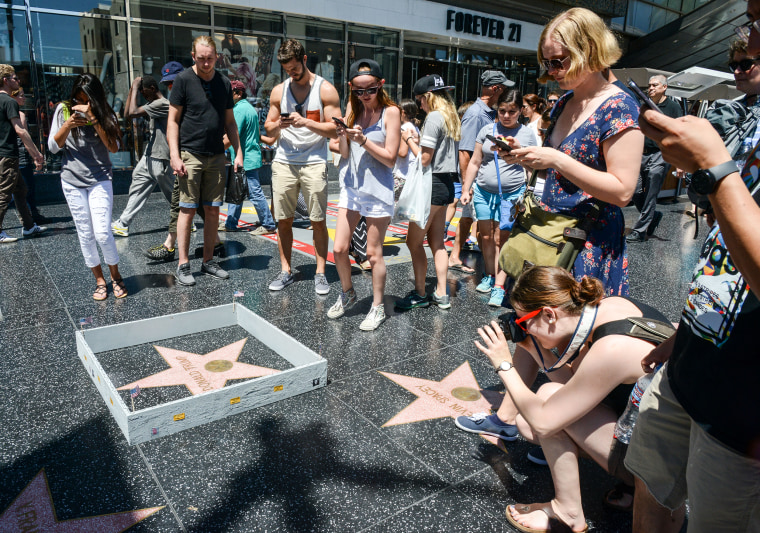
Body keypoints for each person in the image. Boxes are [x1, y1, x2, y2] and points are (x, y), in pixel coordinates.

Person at [624, 3, 760, 530]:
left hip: (744, 409)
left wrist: (713, 171)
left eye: (756, 19)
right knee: (652, 494)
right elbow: (724, 257)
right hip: (693, 363)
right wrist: (685, 336)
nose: (745, 40)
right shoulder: (753, 115)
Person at [469, 266, 671, 533]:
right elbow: (576, 382)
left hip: (663, 468)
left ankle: (568, 513)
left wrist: (504, 365)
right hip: (655, 435)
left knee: (542, 408)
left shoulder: (612, 348)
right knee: (533, 415)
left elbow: (543, 423)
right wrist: (536, 349)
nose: (523, 329)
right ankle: (632, 487)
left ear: (549, 314)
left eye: (523, 321)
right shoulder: (609, 307)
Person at [499, 7, 643, 296]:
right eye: (546, 63)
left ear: (588, 50)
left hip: (586, 244)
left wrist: (555, 159)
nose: (551, 72)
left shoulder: (619, 106)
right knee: (532, 334)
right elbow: (559, 172)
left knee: (574, 335)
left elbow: (623, 191)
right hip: (546, 234)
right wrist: (528, 157)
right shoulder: (566, 100)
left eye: (558, 62)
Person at [264, 39, 341, 295]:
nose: (291, 73)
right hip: (284, 161)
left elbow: (335, 129)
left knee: (317, 220)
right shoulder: (279, 91)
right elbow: (269, 127)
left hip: (314, 161)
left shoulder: (325, 89)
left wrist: (306, 123)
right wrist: (279, 126)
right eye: (287, 70)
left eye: (295, 68)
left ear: (304, 60)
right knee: (283, 220)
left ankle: (320, 273)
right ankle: (286, 270)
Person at [329, 59, 400, 330]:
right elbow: (345, 153)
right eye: (357, 91)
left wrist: (364, 140)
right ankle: (347, 294)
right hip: (351, 186)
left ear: (380, 85)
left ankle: (377, 306)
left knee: (373, 253)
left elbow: (391, 158)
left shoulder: (390, 112)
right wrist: (344, 136)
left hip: (377, 188)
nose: (363, 96)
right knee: (339, 249)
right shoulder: (352, 109)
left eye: (368, 90)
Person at [168, 36, 244, 287]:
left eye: (210, 58)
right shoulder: (183, 80)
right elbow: (173, 121)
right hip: (190, 154)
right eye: (201, 58)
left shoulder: (223, 82)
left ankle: (208, 261)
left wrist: (238, 152)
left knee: (213, 210)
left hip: (216, 155)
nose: (206, 63)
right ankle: (183, 264)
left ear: (216, 56)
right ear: (193, 56)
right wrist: (175, 155)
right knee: (187, 210)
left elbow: (230, 123)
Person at [48, 74, 126, 299]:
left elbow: (113, 148)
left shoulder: (105, 112)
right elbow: (53, 147)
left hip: (100, 179)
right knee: (85, 233)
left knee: (102, 233)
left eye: (87, 99)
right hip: (72, 181)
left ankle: (116, 276)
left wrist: (94, 118)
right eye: (78, 99)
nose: (81, 104)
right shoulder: (63, 110)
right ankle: (99, 280)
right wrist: (68, 124)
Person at [460, 89, 537, 307]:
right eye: (502, 110)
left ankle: (500, 286)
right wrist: (466, 189)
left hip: (512, 194)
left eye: (511, 111)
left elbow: (533, 165)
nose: (506, 115)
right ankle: (489, 274)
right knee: (485, 237)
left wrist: (517, 152)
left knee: (501, 239)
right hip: (483, 192)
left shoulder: (526, 134)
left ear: (520, 111)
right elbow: (475, 161)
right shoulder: (487, 129)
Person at [395, 74, 460, 311]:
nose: (420, 105)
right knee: (437, 242)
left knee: (413, 242)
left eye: (421, 100)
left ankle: (421, 293)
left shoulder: (433, 117)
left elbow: (424, 158)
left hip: (430, 185)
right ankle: (442, 293)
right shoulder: (450, 116)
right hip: (445, 184)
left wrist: (409, 139)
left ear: (429, 96)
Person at [448, 70, 514, 274]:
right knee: (484, 226)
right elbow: (465, 153)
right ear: (496, 89)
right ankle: (490, 272)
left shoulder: (488, 113)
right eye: (503, 89)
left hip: (480, 180)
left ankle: (454, 256)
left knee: (468, 218)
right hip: (477, 181)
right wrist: (468, 186)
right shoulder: (476, 114)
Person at [111, 75, 173, 237]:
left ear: (153, 89)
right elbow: (126, 114)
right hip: (149, 156)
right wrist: (133, 89)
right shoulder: (152, 103)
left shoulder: (162, 104)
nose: (142, 96)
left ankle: (186, 221)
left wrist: (136, 86)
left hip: (161, 157)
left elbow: (132, 112)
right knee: (137, 187)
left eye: (144, 93)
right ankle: (123, 223)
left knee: (172, 194)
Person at [626, 75, 682, 243]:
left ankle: (640, 231)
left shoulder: (672, 107)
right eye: (649, 85)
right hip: (641, 153)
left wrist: (679, 163)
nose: (650, 88)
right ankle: (653, 215)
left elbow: (678, 134)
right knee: (634, 191)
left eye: (655, 85)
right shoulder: (643, 106)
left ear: (664, 87)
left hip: (660, 154)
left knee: (651, 193)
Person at [221, 80, 276, 236]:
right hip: (247, 156)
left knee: (254, 192)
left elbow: (232, 135)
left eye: (229, 93)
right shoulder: (249, 108)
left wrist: (216, 152)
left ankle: (268, 224)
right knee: (236, 190)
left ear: (238, 94)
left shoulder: (238, 110)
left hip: (246, 158)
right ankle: (231, 223)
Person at [0, 65, 44, 243]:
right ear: (5, 80)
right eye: (14, 78)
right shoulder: (9, 102)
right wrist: (36, 154)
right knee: (3, 194)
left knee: (20, 190)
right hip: (8, 155)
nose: (17, 81)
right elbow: (20, 130)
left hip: (4, 155)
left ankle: (28, 226)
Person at [11, 87, 46, 224]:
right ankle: (32, 215)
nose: (24, 98)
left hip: (11, 156)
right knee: (26, 188)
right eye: (21, 95)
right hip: (21, 156)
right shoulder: (20, 115)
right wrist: (36, 155)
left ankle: (28, 219)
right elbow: (25, 137)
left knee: (17, 190)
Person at [393, 98, 420, 202]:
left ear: (402, 112)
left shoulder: (405, 128)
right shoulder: (414, 127)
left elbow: (403, 153)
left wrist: (389, 148)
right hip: (411, 173)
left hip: (402, 174)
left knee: (393, 206)